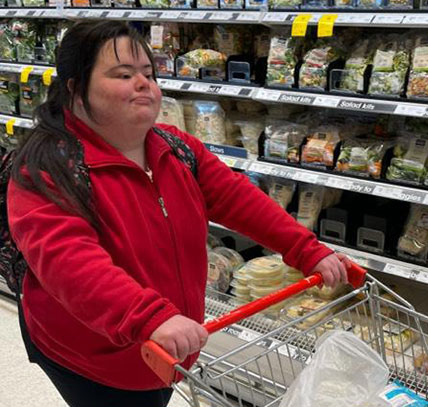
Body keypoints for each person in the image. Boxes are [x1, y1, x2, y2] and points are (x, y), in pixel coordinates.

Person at [7, 20, 350, 407]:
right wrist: (150, 318)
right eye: (123, 74)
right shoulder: (48, 170)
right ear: (74, 88)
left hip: (166, 346)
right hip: (95, 358)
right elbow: (70, 264)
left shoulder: (176, 150)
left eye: (148, 73)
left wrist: (306, 248)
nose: (144, 84)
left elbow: (241, 200)